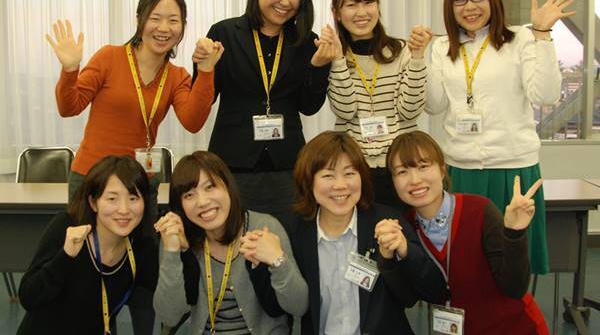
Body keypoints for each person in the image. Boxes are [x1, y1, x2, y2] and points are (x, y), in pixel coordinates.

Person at [426, 0, 574, 274]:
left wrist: (543, 35)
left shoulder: (520, 39)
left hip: (513, 169)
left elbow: (546, 95)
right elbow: (434, 105)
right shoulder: (442, 48)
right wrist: (419, 59)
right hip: (461, 169)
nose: (470, 7)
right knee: (465, 265)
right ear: (450, 7)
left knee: (513, 265)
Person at [192, 0, 337, 226]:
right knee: (234, 238)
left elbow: (308, 106)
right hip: (233, 163)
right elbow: (204, 100)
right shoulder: (224, 33)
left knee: (289, 239)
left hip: (288, 165)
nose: (286, 2)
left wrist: (318, 66)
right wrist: (203, 67)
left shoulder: (308, 41)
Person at [47, 0, 221, 204]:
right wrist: (70, 70)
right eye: (155, 18)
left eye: (173, 20)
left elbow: (193, 122)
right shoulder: (109, 58)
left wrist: (205, 71)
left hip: (140, 182)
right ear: (139, 20)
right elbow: (68, 108)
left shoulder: (177, 76)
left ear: (182, 27)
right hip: (93, 177)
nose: (164, 28)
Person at [386, 130, 549, 334]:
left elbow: (514, 288)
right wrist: (394, 256)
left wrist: (514, 233)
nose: (415, 179)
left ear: (442, 169)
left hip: (514, 327)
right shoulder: (405, 228)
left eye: (423, 167)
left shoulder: (480, 210)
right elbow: (413, 295)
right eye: (402, 172)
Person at [288, 131, 445, 335]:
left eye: (349, 173)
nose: (340, 185)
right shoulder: (296, 232)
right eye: (328, 175)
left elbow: (431, 292)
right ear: (309, 181)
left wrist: (404, 251)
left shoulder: (387, 222)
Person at [153, 151, 308, 334]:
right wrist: (171, 252)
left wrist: (277, 260)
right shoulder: (179, 236)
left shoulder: (264, 226)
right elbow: (169, 317)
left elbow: (299, 306)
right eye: (189, 195)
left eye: (210, 187)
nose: (202, 202)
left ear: (228, 185)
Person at [17, 156, 158, 334]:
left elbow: (164, 308)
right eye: (112, 199)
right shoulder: (67, 227)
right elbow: (28, 297)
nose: (124, 210)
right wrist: (65, 257)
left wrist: (172, 251)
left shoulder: (141, 246)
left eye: (133, 198)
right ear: (93, 202)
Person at [327, 0, 431, 209]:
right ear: (337, 13)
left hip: (400, 165)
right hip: (354, 168)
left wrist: (417, 57)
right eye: (351, 5)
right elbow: (345, 111)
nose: (361, 12)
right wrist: (338, 60)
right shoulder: (334, 56)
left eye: (368, 2)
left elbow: (410, 111)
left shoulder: (401, 51)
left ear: (378, 5)